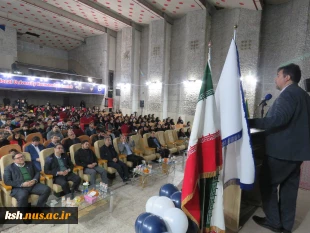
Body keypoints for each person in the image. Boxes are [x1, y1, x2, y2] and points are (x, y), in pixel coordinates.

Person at [249, 64, 310, 233]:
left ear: (287, 77)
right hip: (296, 153)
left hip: (281, 152)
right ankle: (286, 225)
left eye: (277, 75)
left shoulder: (288, 94)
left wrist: (250, 122)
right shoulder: (304, 95)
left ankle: (274, 222)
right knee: (289, 189)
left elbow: (277, 120)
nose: (276, 79)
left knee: (268, 184)